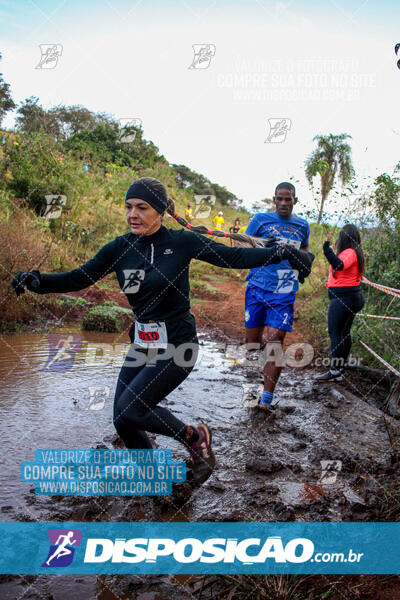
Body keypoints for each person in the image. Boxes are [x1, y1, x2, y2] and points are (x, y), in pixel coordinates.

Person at [11, 177, 304, 485]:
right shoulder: (120, 248)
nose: (132, 215)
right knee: (124, 420)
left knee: (132, 409)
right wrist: (37, 281)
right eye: (128, 207)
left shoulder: (182, 242)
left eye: (142, 207)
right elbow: (78, 277)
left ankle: (194, 436)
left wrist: (280, 254)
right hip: (142, 345)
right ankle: (158, 483)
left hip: (179, 345)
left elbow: (233, 257)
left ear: (161, 210)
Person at [243, 182, 314, 412]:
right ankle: (268, 353)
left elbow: (305, 251)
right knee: (253, 344)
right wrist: (262, 246)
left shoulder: (302, 225)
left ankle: (266, 398)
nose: (284, 203)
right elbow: (241, 243)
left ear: (295, 200)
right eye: (280, 199)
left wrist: (302, 261)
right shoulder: (260, 220)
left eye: (288, 199)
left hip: (284, 289)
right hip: (257, 285)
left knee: (276, 339)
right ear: (274, 200)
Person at [316, 224, 365, 381]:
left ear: (344, 238)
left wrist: (326, 248)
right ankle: (341, 367)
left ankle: (336, 369)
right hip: (349, 297)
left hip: (345, 298)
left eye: (340, 236)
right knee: (343, 332)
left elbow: (338, 265)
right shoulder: (353, 252)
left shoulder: (350, 252)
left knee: (335, 332)